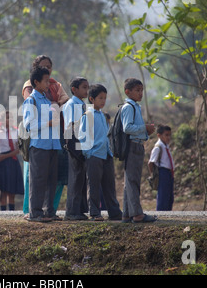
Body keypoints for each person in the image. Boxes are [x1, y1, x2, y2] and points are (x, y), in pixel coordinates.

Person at [21, 55, 69, 218]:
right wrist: (47, 123)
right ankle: (35, 212)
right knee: (38, 180)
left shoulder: (48, 102)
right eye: (46, 81)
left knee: (51, 180)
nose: (49, 85)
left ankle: (49, 212)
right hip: (39, 146)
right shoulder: (31, 101)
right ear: (36, 82)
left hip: (53, 145)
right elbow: (29, 125)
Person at [78, 84, 123, 221]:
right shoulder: (88, 115)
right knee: (94, 185)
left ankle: (114, 212)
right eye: (100, 98)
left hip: (106, 154)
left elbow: (106, 136)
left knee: (109, 185)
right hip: (94, 155)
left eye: (105, 98)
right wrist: (88, 154)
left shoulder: (103, 116)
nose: (103, 101)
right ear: (91, 99)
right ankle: (94, 212)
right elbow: (82, 136)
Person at [120, 78, 156, 223]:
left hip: (137, 145)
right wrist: (144, 128)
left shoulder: (135, 106)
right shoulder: (129, 107)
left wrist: (147, 132)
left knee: (130, 181)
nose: (140, 93)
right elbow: (127, 128)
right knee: (132, 180)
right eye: (137, 90)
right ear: (127, 92)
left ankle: (127, 214)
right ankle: (137, 214)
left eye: (141, 90)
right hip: (132, 146)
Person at [63, 76, 89, 220]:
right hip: (74, 141)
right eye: (84, 87)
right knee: (75, 177)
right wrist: (73, 146)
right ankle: (71, 212)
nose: (87, 90)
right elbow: (70, 126)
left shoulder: (82, 105)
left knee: (81, 177)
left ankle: (79, 209)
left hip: (81, 141)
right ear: (74, 89)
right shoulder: (72, 104)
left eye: (87, 87)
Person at [0, 111, 24, 211]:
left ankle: (11, 211)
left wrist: (5, 156)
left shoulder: (17, 132)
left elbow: (19, 149)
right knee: (4, 190)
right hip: (2, 164)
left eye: (11, 117)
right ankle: (3, 212)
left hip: (13, 161)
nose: (9, 120)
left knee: (12, 190)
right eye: (7, 118)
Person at [148, 124, 175, 211]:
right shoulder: (158, 147)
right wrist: (154, 175)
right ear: (159, 135)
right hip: (162, 173)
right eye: (166, 135)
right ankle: (161, 215)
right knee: (163, 197)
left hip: (169, 173)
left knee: (169, 197)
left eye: (169, 135)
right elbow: (151, 163)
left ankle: (168, 214)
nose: (168, 137)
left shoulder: (166, 146)